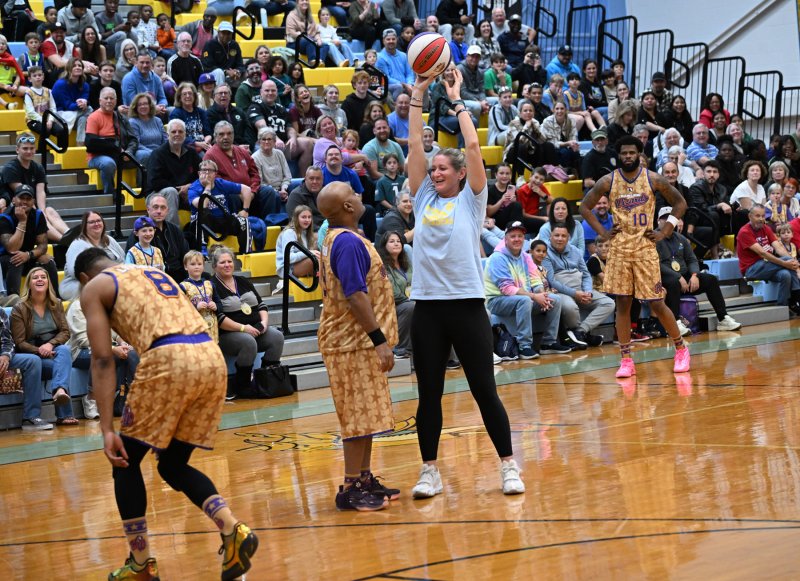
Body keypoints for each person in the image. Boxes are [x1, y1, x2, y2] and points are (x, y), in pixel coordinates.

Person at [76, 248, 258, 580]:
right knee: (173, 465)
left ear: (84, 278)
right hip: (210, 356)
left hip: (168, 357)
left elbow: (102, 359)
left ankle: (141, 564)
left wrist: (106, 428)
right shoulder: (151, 272)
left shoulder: (94, 287)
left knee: (125, 462)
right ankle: (233, 530)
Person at [406, 68, 525, 498]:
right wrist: (419, 94)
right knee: (428, 397)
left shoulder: (473, 201)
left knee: (484, 392)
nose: (435, 172)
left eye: (442, 168)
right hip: (429, 309)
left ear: (459, 175)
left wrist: (456, 99)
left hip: (469, 305)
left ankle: (509, 466)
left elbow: (472, 146)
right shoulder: (422, 196)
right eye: (433, 168)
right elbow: (414, 146)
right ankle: (429, 471)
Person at [312, 180, 400, 510]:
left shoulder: (343, 238)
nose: (359, 195)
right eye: (353, 193)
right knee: (356, 414)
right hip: (351, 342)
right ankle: (350, 488)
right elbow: (355, 295)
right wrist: (379, 340)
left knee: (367, 413)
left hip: (354, 342)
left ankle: (364, 477)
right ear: (348, 207)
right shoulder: (347, 243)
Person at [580, 134, 691, 378]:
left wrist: (665, 230)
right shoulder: (608, 181)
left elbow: (680, 203)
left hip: (644, 248)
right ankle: (626, 359)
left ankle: (681, 348)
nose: (628, 157)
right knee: (622, 304)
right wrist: (603, 233)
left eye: (632, 153)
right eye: (624, 153)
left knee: (656, 303)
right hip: (619, 249)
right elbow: (584, 207)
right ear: (618, 156)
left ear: (640, 155)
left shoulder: (653, 178)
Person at [485, 221, 571, 359]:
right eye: (513, 236)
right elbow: (507, 288)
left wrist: (542, 294)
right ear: (505, 239)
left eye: (520, 236)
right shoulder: (497, 258)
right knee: (525, 300)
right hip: (496, 301)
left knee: (554, 299)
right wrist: (534, 296)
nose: (517, 239)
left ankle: (548, 343)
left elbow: (535, 279)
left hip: (519, 298)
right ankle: (524, 345)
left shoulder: (525, 256)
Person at [209, 245, 284, 398]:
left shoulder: (242, 281)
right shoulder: (211, 285)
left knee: (277, 337)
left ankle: (266, 380)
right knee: (248, 342)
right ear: (214, 266)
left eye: (229, 261)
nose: (227, 265)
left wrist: (264, 323)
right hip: (228, 334)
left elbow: (261, 305)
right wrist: (244, 328)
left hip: (255, 328)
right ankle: (242, 386)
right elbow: (219, 318)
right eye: (222, 262)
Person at [655, 207, 741, 333]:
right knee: (673, 282)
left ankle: (723, 319)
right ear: (658, 221)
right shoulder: (653, 238)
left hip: (685, 276)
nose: (668, 221)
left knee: (710, 279)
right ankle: (676, 323)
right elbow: (656, 264)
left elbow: (692, 259)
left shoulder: (681, 238)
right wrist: (678, 277)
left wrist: (695, 274)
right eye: (665, 218)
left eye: (671, 218)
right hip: (665, 278)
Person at [11, 266, 75, 425]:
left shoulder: (56, 304)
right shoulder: (20, 308)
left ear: (48, 282)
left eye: (43, 277)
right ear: (29, 284)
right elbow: (19, 342)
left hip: (52, 351)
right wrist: (39, 350)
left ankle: (60, 392)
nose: (39, 279)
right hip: (31, 352)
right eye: (35, 277)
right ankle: (62, 413)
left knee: (64, 350)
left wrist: (50, 345)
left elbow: (65, 332)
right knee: (57, 363)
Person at [66, 295, 139, 421]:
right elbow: (84, 340)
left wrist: (123, 343)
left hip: (107, 346)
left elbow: (115, 333)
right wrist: (112, 349)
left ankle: (133, 400)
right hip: (80, 351)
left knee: (132, 353)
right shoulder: (77, 306)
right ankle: (91, 399)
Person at [1, 132, 69, 242]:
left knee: (49, 210)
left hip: (32, 204)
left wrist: (42, 211)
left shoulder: (38, 167)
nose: (29, 151)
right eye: (25, 148)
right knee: (38, 215)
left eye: (32, 148)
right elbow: (24, 196)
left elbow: (40, 192)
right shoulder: (10, 168)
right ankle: (64, 241)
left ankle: (70, 235)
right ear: (17, 150)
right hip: (18, 207)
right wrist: (40, 215)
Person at [205, 120, 279, 222]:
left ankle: (269, 226)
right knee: (231, 197)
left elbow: (254, 174)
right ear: (215, 136)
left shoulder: (242, 151)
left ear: (233, 135)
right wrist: (239, 190)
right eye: (221, 134)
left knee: (269, 192)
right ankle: (236, 229)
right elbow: (215, 180)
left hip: (249, 191)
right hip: (230, 193)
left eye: (229, 133)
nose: (225, 137)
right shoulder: (210, 155)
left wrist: (252, 192)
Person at [188, 159, 266, 252]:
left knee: (243, 221)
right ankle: (202, 251)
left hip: (223, 219)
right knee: (201, 215)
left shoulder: (221, 183)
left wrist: (245, 210)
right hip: (204, 223)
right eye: (204, 170)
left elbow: (246, 189)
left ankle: (245, 253)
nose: (207, 173)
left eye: (210, 171)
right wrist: (208, 186)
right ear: (199, 173)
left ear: (215, 174)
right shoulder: (193, 188)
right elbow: (202, 205)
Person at [736, 204, 800, 312]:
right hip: (751, 269)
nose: (761, 219)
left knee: (785, 275)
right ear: (750, 216)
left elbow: (779, 247)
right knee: (785, 261)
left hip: (767, 266)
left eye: (763, 215)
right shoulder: (744, 232)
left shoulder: (766, 228)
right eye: (757, 216)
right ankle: (797, 298)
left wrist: (792, 264)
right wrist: (788, 264)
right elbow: (763, 253)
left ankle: (782, 307)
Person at [0, 185, 59, 297]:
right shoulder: (4, 218)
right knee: (15, 260)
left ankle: (55, 298)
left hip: (28, 255)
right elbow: (12, 248)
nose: (24, 202)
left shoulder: (38, 215)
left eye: (28, 199)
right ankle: (13, 301)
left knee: (47, 260)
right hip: (5, 259)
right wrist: (22, 222)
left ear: (33, 201)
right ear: (13, 199)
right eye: (21, 198)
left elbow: (43, 245)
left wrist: (29, 255)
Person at [144, 119, 202, 226]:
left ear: (185, 134)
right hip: (157, 194)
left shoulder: (192, 153)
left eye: (180, 132)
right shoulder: (158, 154)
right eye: (173, 132)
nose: (177, 134)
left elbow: (202, 175)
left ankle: (204, 233)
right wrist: (178, 189)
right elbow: (155, 181)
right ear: (167, 135)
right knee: (171, 192)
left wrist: (189, 186)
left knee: (207, 191)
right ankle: (172, 236)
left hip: (186, 193)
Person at [125, 193, 191, 283]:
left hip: (178, 279)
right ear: (148, 209)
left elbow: (186, 257)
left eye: (163, 207)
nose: (159, 211)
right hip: (150, 280)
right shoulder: (139, 233)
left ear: (167, 210)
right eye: (155, 207)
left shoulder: (175, 230)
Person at [85, 88, 137, 199]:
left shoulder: (121, 117)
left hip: (120, 153)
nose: (109, 101)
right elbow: (91, 144)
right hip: (97, 157)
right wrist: (115, 148)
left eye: (112, 98)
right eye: (106, 98)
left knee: (144, 157)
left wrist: (128, 152)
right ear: (100, 101)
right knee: (108, 163)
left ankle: (141, 193)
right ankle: (109, 195)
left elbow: (133, 138)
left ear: (116, 100)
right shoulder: (93, 117)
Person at [60, 210, 124, 300]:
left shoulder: (109, 240)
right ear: (84, 226)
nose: (96, 224)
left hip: (111, 280)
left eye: (99, 221)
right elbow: (74, 272)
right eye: (92, 222)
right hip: (78, 284)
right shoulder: (78, 244)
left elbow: (123, 259)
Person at [274, 205, 319, 292]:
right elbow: (288, 258)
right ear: (296, 218)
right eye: (303, 217)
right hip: (287, 268)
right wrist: (309, 252)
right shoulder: (289, 232)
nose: (307, 220)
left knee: (325, 259)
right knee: (316, 260)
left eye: (309, 217)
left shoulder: (307, 233)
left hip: (299, 264)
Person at [51, 57, 91, 144]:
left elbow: (84, 100)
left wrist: (85, 103)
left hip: (76, 114)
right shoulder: (60, 84)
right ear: (69, 68)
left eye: (80, 66)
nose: (77, 67)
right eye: (74, 66)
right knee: (90, 110)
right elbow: (68, 106)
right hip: (60, 114)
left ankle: (80, 144)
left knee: (83, 119)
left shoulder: (85, 85)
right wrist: (83, 105)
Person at [252, 128, 292, 208]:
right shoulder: (255, 158)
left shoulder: (279, 154)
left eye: (269, 139)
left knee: (299, 185)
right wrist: (277, 192)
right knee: (272, 194)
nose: (266, 142)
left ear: (274, 141)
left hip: (283, 187)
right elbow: (260, 183)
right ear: (259, 142)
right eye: (263, 139)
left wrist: (284, 189)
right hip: (268, 191)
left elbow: (287, 176)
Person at [169, 82, 212, 155]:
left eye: (190, 93)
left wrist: (205, 143)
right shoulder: (176, 114)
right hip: (186, 147)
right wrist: (198, 144)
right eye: (184, 94)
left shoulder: (201, 112)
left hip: (204, 144)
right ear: (179, 97)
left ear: (194, 96)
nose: (188, 96)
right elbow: (177, 136)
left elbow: (208, 133)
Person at [285, 0, 328, 66]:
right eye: (302, 0)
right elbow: (291, 33)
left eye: (306, 0)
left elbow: (316, 31)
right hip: (294, 43)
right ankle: (312, 61)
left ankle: (320, 61)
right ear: (297, 2)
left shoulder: (309, 16)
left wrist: (318, 39)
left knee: (325, 45)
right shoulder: (291, 15)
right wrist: (305, 37)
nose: (305, 2)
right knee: (309, 40)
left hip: (309, 43)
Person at [128, 91, 167, 165]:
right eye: (140, 105)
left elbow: (165, 140)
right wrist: (153, 152)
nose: (143, 106)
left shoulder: (157, 120)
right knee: (145, 155)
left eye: (145, 104)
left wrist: (162, 151)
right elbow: (136, 143)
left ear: (150, 106)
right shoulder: (133, 122)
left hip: (159, 150)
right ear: (135, 107)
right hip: (142, 151)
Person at [201, 21, 244, 87]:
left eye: (228, 33)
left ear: (232, 34)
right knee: (219, 72)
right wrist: (225, 72)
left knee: (247, 72)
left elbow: (240, 64)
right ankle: (220, 94)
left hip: (231, 75)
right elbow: (207, 66)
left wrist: (237, 71)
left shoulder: (234, 45)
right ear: (218, 33)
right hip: (213, 75)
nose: (226, 36)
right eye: (223, 33)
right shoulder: (210, 44)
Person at [581, 192, 613, 259]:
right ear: (593, 206)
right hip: (594, 262)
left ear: (609, 205)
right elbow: (594, 253)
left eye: (604, 203)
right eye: (598, 203)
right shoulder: (588, 223)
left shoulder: (614, 219)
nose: (602, 206)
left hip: (611, 258)